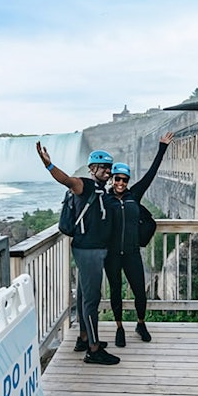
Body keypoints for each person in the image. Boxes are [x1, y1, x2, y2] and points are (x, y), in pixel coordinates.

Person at [36, 143, 121, 365]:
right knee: (91, 301)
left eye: (108, 167)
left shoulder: (103, 190)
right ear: (92, 169)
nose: (107, 171)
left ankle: (84, 338)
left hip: (94, 250)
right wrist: (49, 165)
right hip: (88, 251)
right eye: (102, 167)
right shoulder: (85, 186)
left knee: (84, 296)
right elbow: (66, 180)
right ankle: (93, 350)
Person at [105, 132, 174, 347]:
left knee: (139, 291)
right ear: (112, 179)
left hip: (132, 253)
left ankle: (141, 323)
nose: (121, 183)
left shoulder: (134, 195)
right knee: (115, 291)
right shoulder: (104, 199)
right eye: (118, 179)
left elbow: (151, 174)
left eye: (125, 180)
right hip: (112, 254)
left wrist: (162, 147)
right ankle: (118, 327)